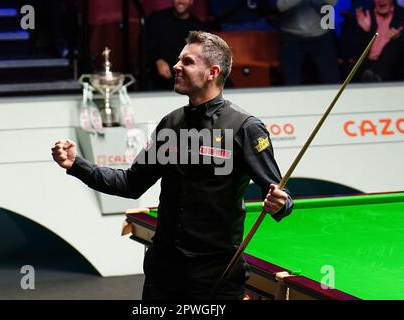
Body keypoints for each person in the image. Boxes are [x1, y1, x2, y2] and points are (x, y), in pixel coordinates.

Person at [52, 31, 294, 300]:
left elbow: (279, 197)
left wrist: (279, 204)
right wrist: (77, 165)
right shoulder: (170, 124)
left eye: (187, 62)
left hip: (216, 274)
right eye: (179, 60)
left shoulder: (245, 127)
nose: (176, 66)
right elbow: (130, 184)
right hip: (163, 270)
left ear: (212, 72)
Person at [274, 0, 341, 85]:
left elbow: (333, 2)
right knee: (291, 82)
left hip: (322, 35)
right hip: (290, 36)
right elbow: (280, 6)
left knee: (332, 80)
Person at [146, 0, 206, 90]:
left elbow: (202, 57)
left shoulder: (199, 27)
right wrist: (157, 60)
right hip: (160, 83)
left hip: (189, 82)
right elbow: (145, 47)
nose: (180, 1)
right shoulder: (156, 20)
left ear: (191, 1)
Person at [353, 0, 404, 81]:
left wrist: (398, 37)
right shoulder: (365, 14)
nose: (381, 0)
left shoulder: (401, 15)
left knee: (399, 40)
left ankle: (377, 75)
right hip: (367, 68)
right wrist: (365, 32)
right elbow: (353, 53)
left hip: (394, 68)